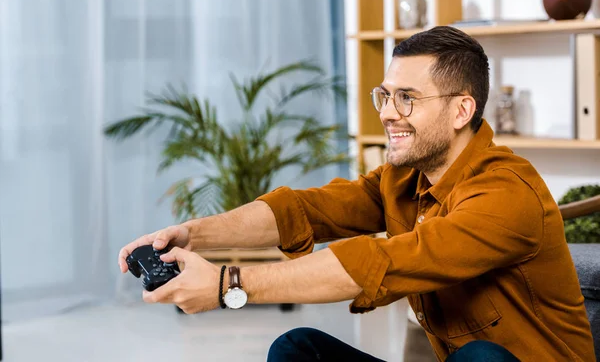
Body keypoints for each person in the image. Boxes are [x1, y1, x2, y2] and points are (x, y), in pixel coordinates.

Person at [118, 26, 595, 362]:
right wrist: (192, 235)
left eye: (407, 97)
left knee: (483, 359)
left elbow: (382, 261)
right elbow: (305, 210)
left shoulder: (506, 193)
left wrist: (229, 286)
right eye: (384, 96)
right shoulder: (403, 179)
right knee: (297, 348)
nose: (388, 113)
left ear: (461, 110)